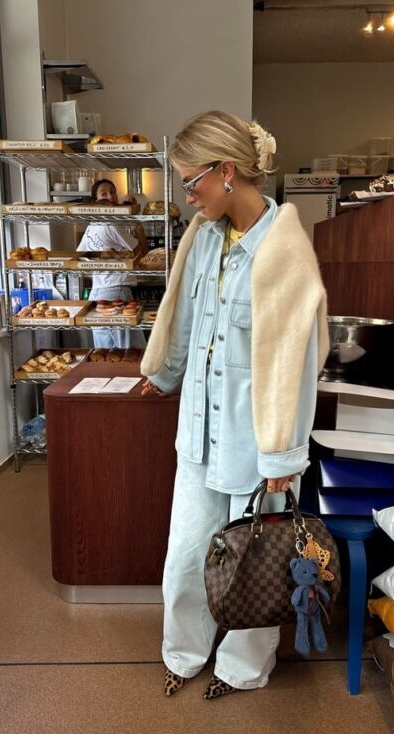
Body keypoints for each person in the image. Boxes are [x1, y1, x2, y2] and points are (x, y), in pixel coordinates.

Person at [140, 111, 329, 699]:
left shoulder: (285, 252)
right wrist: (165, 375)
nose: (187, 195)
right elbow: (186, 322)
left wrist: (284, 456)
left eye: (191, 181)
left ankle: (244, 667)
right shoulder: (202, 239)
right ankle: (184, 652)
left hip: (258, 444)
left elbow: (299, 364)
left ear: (226, 172)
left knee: (256, 559)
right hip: (198, 434)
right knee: (187, 554)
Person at [77, 179, 148, 349]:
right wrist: (136, 220)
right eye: (104, 193)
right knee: (130, 355)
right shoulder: (111, 223)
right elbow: (142, 249)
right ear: (96, 201)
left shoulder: (91, 226)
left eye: (113, 191)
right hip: (117, 293)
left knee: (106, 356)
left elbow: (79, 256)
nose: (111, 196)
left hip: (97, 296)